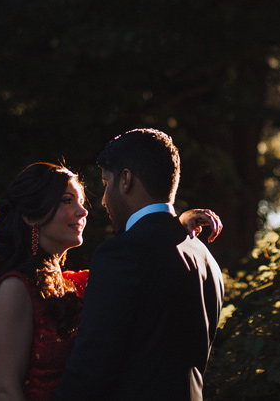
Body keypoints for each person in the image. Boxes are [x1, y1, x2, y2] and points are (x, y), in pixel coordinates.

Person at [0, 162, 221, 401]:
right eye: (67, 200)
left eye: (81, 202)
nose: (82, 211)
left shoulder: (82, 282)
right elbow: (7, 391)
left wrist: (176, 225)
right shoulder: (15, 289)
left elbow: (146, 271)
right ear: (32, 216)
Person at [54, 129, 226, 401]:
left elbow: (90, 368)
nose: (103, 199)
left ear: (125, 180)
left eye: (105, 183)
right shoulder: (206, 260)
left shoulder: (122, 253)